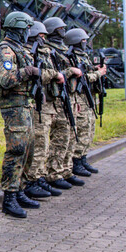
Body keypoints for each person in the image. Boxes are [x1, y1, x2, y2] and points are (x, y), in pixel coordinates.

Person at [0, 11, 43, 218]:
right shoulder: (5, 50)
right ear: (18, 29)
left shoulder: (19, 49)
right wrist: (27, 71)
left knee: (28, 149)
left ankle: (20, 190)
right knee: (16, 150)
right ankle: (9, 197)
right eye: (26, 29)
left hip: (24, 105)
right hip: (13, 107)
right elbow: (6, 80)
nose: (28, 33)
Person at [21, 21, 64, 200]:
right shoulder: (28, 53)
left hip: (46, 101)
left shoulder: (41, 52)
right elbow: (36, 73)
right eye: (42, 36)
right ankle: (32, 179)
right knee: (39, 143)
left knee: (43, 142)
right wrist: (54, 74)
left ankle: (38, 177)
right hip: (37, 103)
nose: (44, 39)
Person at [42, 17, 85, 188]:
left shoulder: (63, 49)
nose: (63, 31)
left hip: (69, 96)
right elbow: (53, 73)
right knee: (60, 137)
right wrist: (68, 72)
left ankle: (66, 170)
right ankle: (53, 173)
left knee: (70, 135)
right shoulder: (49, 51)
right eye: (60, 28)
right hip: (57, 98)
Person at [64, 27, 106, 173]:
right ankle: (76, 161)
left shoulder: (83, 56)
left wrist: (94, 68)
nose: (85, 43)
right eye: (83, 40)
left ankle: (83, 158)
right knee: (81, 130)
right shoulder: (70, 57)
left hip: (88, 98)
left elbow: (86, 71)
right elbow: (82, 78)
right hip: (79, 98)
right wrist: (98, 74)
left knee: (89, 129)